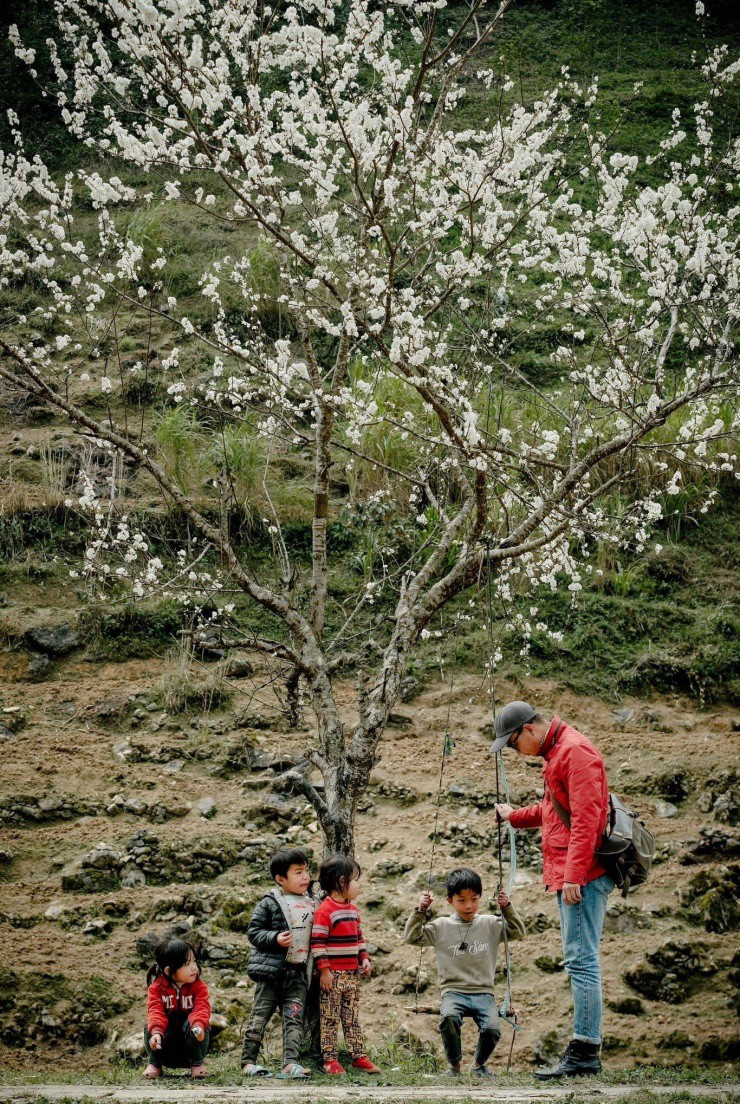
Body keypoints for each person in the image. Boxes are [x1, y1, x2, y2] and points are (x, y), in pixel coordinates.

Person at [492, 701, 614, 1078]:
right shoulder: (559, 753)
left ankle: (585, 1052)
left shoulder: (574, 752)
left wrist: (575, 875)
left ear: (528, 730)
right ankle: (584, 1050)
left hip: (582, 875)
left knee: (582, 959)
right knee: (581, 958)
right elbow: (554, 812)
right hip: (574, 872)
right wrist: (513, 816)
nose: (514, 752)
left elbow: (587, 819)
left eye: (512, 745)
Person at [404, 868, 525, 1078]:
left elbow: (517, 931)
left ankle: (478, 1065)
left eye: (474, 899)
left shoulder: (490, 924)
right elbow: (412, 937)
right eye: (461, 900)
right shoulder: (441, 926)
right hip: (453, 991)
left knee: (492, 1028)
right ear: (449, 900)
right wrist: (420, 910)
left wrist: (507, 908)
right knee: (449, 1017)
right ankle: (455, 1066)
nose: (469, 905)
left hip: (484, 992)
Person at [242, 847, 316, 1079]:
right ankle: (248, 1062)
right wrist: (274, 938)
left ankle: (289, 1063)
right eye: (298, 872)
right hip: (272, 974)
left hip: (298, 974)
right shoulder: (270, 902)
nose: (305, 877)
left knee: (294, 1019)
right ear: (280, 879)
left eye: (306, 871)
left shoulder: (313, 903)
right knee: (259, 1017)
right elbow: (253, 932)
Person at [310, 854, 380, 1076]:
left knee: (351, 1018)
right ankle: (330, 1059)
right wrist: (324, 971)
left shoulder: (353, 910)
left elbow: (359, 939)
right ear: (342, 882)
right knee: (330, 1018)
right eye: (356, 880)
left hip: (352, 975)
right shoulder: (325, 911)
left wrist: (365, 959)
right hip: (333, 977)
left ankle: (358, 1055)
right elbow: (318, 942)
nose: (359, 885)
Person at [144, 937, 210, 1080]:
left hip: (189, 1049)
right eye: (187, 963)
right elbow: (155, 1011)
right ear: (169, 971)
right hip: (166, 1048)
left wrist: (198, 1025)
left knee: (201, 1023)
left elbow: (202, 1007)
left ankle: (197, 1065)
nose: (194, 967)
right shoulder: (156, 989)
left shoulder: (199, 987)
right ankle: (155, 1065)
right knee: (151, 1025)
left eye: (194, 961)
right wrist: (156, 1032)